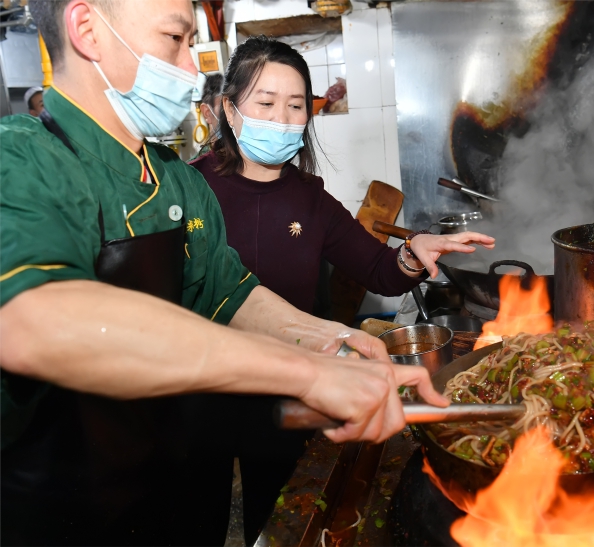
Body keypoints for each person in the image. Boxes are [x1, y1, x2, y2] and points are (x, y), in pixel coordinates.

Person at [0, 1, 446, 545]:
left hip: (164, 479)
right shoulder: (20, 159)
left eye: (191, 44)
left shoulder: (177, 182)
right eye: (175, 40)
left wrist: (338, 341)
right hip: (62, 510)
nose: (192, 70)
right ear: (87, 29)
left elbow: (230, 295)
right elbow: (37, 322)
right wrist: (307, 373)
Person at [191, 36, 496, 316]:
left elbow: (378, 270)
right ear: (230, 109)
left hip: (296, 354)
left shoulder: (310, 197)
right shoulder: (190, 187)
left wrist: (413, 252)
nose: (281, 119)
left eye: (295, 105)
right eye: (266, 103)